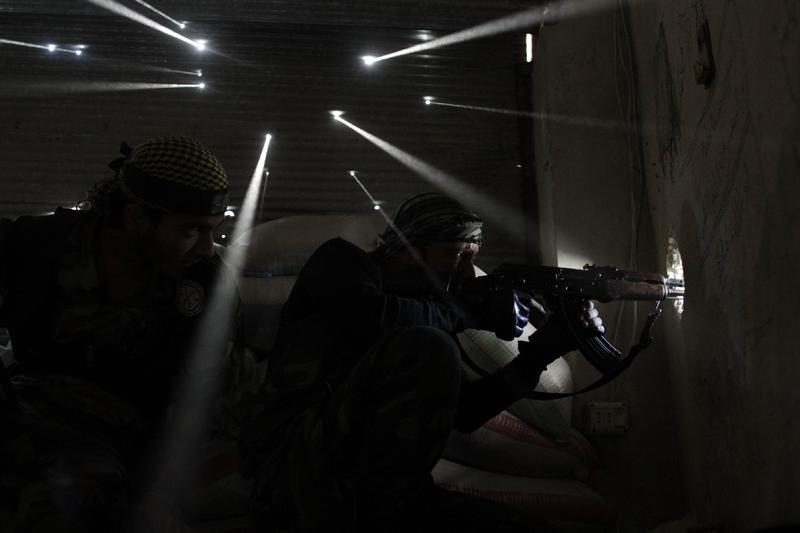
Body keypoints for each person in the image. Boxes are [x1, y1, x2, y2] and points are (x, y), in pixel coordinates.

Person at [240, 191, 605, 533]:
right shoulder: (341, 262)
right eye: (455, 254)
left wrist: (544, 351)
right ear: (408, 251)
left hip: (381, 491)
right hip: (297, 466)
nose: (466, 272)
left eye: (472, 257)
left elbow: (465, 412)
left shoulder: (426, 318)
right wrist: (465, 311)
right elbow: (370, 317)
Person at [0, 137, 250, 532]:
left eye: (212, 231)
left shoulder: (206, 288)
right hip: (23, 406)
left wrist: (163, 491)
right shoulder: (39, 246)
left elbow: (210, 406)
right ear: (136, 219)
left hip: (114, 437)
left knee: (68, 498)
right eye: (191, 230)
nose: (207, 249)